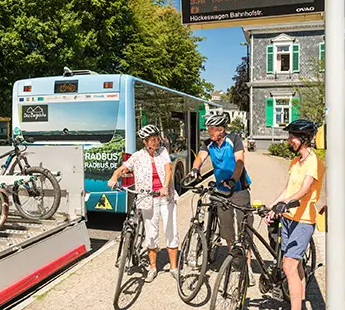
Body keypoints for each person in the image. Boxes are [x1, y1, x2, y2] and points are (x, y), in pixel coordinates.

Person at [265, 119, 325, 310]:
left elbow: (304, 190)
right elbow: (288, 189)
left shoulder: (314, 162)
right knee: (295, 265)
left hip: (304, 220)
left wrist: (285, 204)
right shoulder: (295, 162)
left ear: (304, 138)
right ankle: (301, 299)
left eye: (292, 136)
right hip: (289, 219)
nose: (289, 140)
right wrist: (273, 207)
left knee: (289, 266)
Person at [108, 124, 179, 283]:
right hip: (147, 199)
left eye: (157, 139)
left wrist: (165, 186)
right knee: (151, 235)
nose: (156, 142)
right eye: (152, 140)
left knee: (171, 230)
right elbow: (122, 169)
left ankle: (174, 267)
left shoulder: (163, 152)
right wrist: (114, 177)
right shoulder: (137, 156)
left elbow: (168, 170)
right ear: (145, 142)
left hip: (166, 197)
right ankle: (153, 268)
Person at [190, 114, 255, 285]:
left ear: (221, 129)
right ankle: (234, 260)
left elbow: (239, 162)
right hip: (221, 191)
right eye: (208, 129)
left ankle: (247, 266)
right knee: (226, 227)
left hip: (239, 189)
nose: (209, 131)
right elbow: (200, 157)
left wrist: (234, 179)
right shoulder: (208, 143)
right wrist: (195, 170)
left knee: (244, 227)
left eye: (212, 129)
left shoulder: (234, 139)